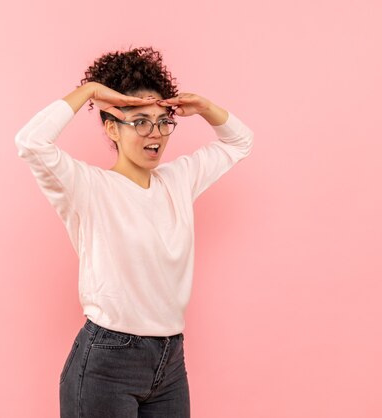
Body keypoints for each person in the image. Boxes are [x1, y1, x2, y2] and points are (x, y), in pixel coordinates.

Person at [14, 46, 254, 418]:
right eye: (139, 121)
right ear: (112, 126)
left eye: (163, 120)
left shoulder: (178, 180)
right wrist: (91, 92)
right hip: (107, 361)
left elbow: (241, 141)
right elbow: (30, 142)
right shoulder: (89, 187)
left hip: (170, 360)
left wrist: (205, 108)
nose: (154, 133)